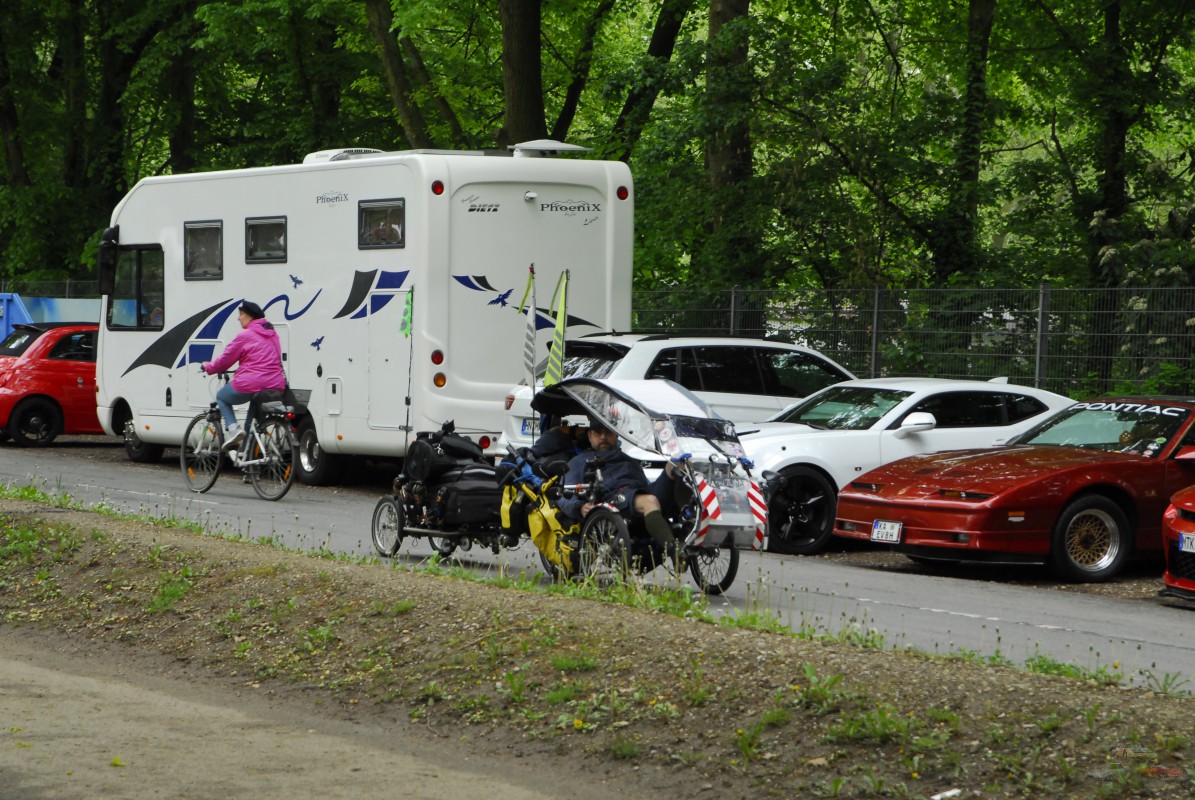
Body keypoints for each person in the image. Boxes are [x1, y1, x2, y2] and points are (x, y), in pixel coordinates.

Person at [556, 416, 682, 568]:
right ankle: (675, 553)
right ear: (590, 436)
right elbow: (562, 494)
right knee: (649, 501)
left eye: (608, 432)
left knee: (677, 462)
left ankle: (692, 523)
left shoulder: (629, 460)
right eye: (598, 433)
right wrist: (579, 507)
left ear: (616, 435)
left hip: (639, 497)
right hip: (611, 501)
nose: (603, 437)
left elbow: (646, 486)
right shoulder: (579, 461)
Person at [202, 301, 287, 451]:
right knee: (252, 421)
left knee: (221, 396)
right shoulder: (273, 334)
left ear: (250, 316)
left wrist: (208, 367)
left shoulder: (245, 335)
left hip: (252, 383)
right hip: (275, 384)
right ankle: (246, 454)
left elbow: (225, 360)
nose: (238, 318)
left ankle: (234, 429)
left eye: (241, 314)